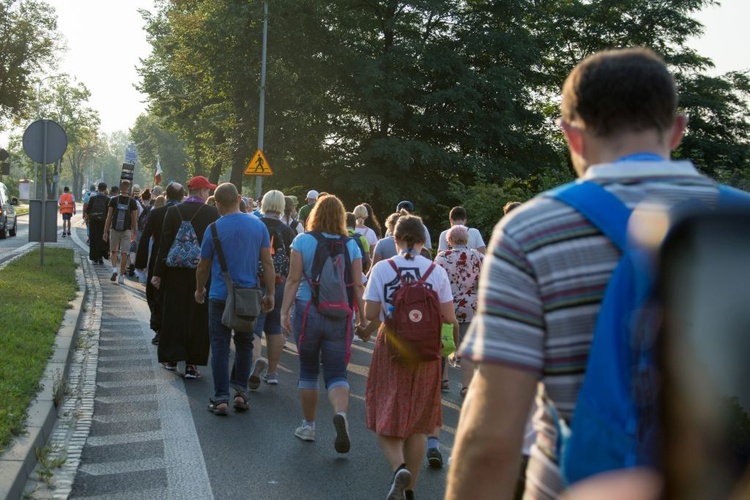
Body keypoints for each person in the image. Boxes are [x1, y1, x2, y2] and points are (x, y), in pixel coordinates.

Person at [446, 47, 724, 499]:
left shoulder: (531, 232)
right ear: (677, 130)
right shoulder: (739, 225)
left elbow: (494, 440)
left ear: (571, 136)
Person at [357, 214, 455, 500]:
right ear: (424, 242)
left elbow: (371, 314)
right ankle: (409, 491)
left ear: (395, 238)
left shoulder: (383, 268)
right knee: (420, 422)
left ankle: (398, 466)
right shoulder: (435, 271)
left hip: (392, 348)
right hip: (426, 351)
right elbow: (449, 317)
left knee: (384, 412)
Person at [280, 194, 365, 453]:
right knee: (336, 373)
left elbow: (293, 279)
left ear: (314, 214)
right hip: (340, 314)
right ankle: (340, 414)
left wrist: (283, 312)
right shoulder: (351, 245)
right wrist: (362, 316)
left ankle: (308, 426)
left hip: (308, 312)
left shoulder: (302, 240)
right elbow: (358, 284)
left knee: (307, 370)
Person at [195, 182, 274, 415]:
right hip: (248, 296)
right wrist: (269, 293)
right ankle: (241, 393)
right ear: (239, 199)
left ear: (218, 204)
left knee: (219, 346)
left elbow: (203, 265)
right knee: (244, 344)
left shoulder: (214, 228)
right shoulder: (258, 227)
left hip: (220, 296)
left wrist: (199, 289)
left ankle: (220, 398)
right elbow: (267, 263)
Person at [152, 176, 220, 379]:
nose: (209, 193)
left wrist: (157, 273)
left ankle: (171, 358)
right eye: (207, 190)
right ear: (201, 192)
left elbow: (164, 244)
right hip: (202, 271)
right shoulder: (211, 213)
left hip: (175, 272)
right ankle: (192, 364)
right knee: (198, 316)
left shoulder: (173, 211)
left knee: (173, 313)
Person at [252, 190, 297, 387]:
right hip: (280, 283)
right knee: (274, 328)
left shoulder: (254, 225)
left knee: (254, 328)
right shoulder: (288, 231)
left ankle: (254, 363)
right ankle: (272, 373)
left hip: (254, 283)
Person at [135, 182, 183, 345]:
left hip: (158, 257)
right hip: (180, 260)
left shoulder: (156, 213)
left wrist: (140, 263)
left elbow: (144, 237)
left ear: (166, 196)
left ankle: (159, 328)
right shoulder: (185, 213)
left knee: (154, 293)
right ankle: (171, 327)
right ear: (182, 197)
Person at [103, 180, 139, 284]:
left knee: (113, 251)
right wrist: (134, 232)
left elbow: (109, 217)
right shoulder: (132, 202)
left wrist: (105, 231)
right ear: (129, 189)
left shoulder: (114, 200)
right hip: (126, 230)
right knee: (124, 253)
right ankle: (121, 276)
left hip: (114, 229)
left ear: (120, 187)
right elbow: (134, 219)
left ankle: (114, 269)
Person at [84, 182, 109, 264]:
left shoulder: (93, 198)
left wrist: (87, 220)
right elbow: (109, 213)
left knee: (94, 239)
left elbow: (87, 211)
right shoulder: (107, 200)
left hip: (93, 222)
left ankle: (95, 257)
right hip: (103, 222)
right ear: (105, 189)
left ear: (98, 188)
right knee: (102, 239)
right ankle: (101, 257)